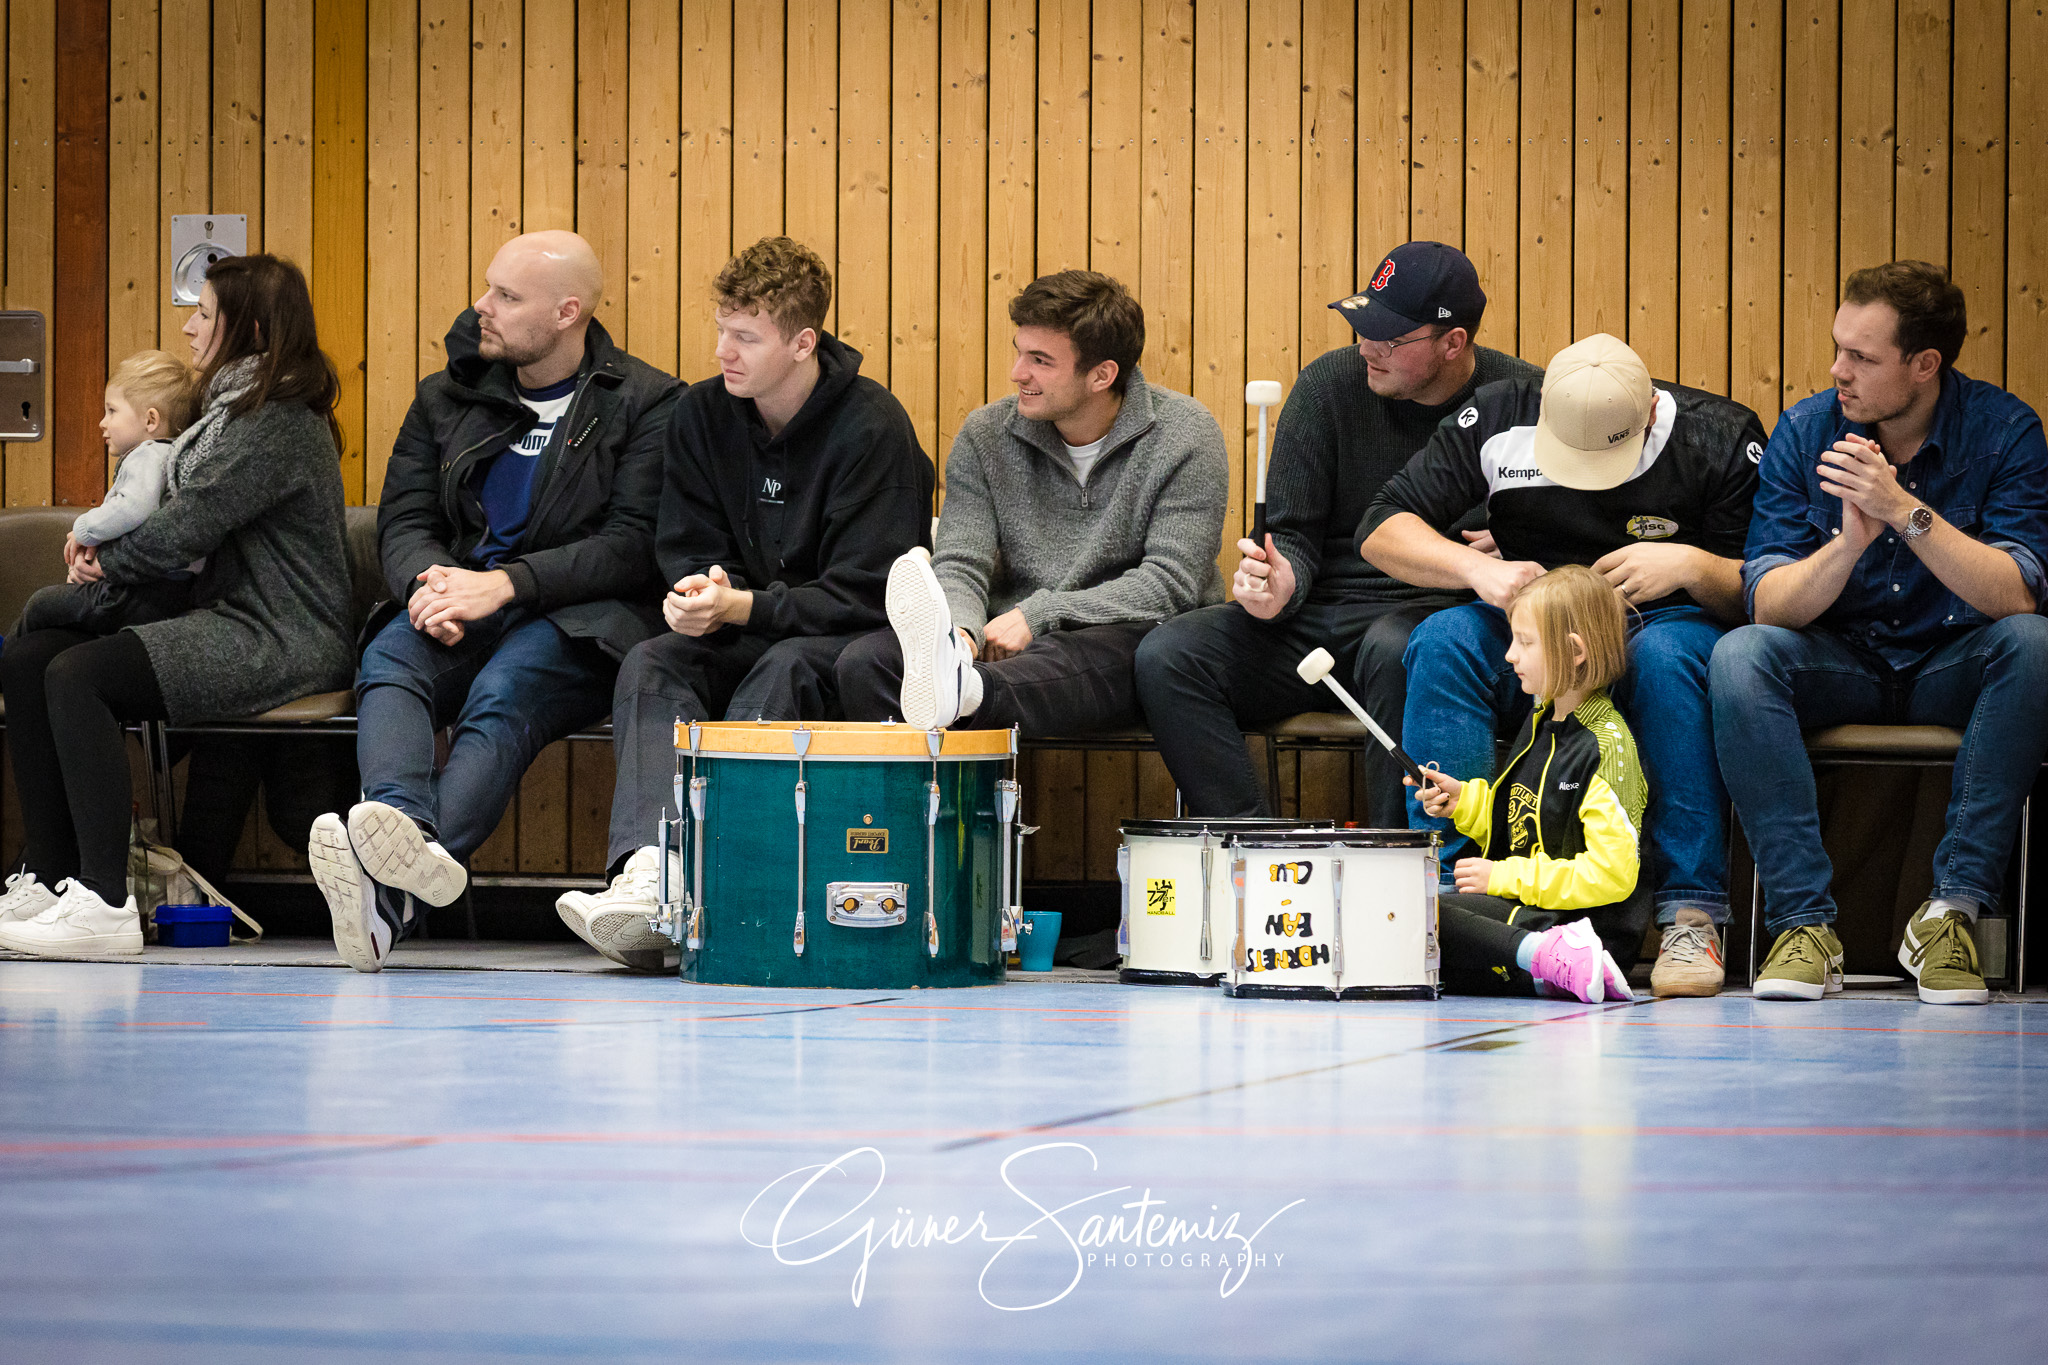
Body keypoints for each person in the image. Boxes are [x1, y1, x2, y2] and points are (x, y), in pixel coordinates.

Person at [556, 236, 935, 968]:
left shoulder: (873, 426)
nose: (723, 351)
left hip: (842, 634)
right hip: (745, 621)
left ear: (802, 343)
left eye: (746, 337)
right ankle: (651, 868)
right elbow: (682, 543)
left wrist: (745, 608)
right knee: (653, 661)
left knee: (785, 667)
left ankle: (722, 872)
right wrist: (699, 594)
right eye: (722, 329)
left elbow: (867, 592)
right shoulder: (702, 414)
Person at [309, 229, 681, 974]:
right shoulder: (446, 395)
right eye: (488, 287)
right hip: (456, 597)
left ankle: (389, 891)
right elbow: (405, 520)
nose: (482, 305)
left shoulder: (646, 402)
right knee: (390, 658)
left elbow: (632, 545)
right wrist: (431, 585)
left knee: (505, 690)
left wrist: (506, 585)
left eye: (507, 296)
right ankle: (404, 834)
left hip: (578, 618)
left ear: (567, 312)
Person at [1358, 333, 1764, 995]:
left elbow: (1764, 591)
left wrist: (1694, 565)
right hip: (1530, 620)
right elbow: (1380, 527)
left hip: (1659, 622)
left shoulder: (1718, 438)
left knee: (1668, 663)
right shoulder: (1496, 414)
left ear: (1651, 415)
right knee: (1443, 639)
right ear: (1542, 406)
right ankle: (1448, 894)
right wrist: (1475, 571)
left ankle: (1690, 914)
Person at [1712, 261, 2048, 1005]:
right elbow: (1768, 604)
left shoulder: (2004, 432)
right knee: (1739, 655)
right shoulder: (1806, 431)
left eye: (1862, 357)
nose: (1839, 370)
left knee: (2036, 645)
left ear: (1924, 365)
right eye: (1838, 348)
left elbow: (2018, 593)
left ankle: (1951, 913)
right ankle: (1803, 925)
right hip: (1840, 662)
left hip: (1951, 663)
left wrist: (1903, 511)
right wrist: (1848, 545)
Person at [0, 255, 353, 956]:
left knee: (78, 674)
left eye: (205, 314)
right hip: (227, 617)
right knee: (31, 657)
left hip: (281, 633)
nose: (189, 327)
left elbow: (190, 523)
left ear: (250, 330)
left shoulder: (276, 421)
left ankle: (105, 903)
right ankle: (51, 878)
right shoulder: (233, 410)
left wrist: (105, 561)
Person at [1133, 241, 1541, 826]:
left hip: (1433, 615)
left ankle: (1400, 863)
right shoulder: (1329, 383)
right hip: (1318, 614)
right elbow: (1293, 532)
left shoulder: (1521, 399)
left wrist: (1522, 537)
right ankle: (1250, 842)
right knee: (1169, 654)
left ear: (1453, 342)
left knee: (1401, 649)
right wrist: (1281, 583)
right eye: (1362, 328)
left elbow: (1560, 532)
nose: (1367, 349)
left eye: (1390, 339)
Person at [837, 270, 1227, 734]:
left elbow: (1170, 584)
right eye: (1020, 352)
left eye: (1040, 360)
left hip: (1127, 635)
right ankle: (956, 701)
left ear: (1102, 375)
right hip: (1003, 637)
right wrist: (959, 634)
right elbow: (961, 561)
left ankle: (967, 692)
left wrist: (1041, 614)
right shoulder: (985, 435)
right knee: (865, 663)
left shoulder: (1184, 433)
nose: (1018, 373)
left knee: (1066, 656)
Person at [1410, 566, 1637, 1003]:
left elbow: (1611, 875)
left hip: (1580, 925)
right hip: (1533, 912)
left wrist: (1502, 875)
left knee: (1420, 910)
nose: (1511, 655)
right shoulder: (1542, 723)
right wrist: (1464, 803)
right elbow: (1527, 817)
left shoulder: (1606, 746)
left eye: (1525, 642)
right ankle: (1544, 971)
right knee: (1414, 941)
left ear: (1574, 650)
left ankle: (1553, 956)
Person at [14, 351, 202, 636]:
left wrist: (84, 529)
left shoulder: (149, 455)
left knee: (40, 605)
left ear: (151, 420)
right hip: (163, 588)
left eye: (112, 411)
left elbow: (135, 507)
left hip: (145, 591)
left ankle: (6, 650)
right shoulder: (169, 455)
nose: (103, 422)